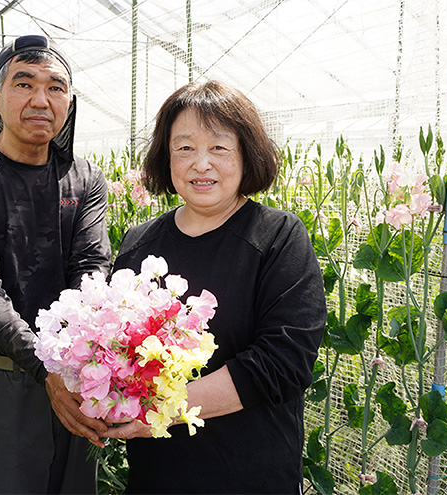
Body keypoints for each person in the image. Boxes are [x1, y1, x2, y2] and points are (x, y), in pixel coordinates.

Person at [102, 80, 327, 494]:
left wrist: (163, 410)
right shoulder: (139, 243)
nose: (200, 163)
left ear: (247, 155)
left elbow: (284, 362)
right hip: (158, 477)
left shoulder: (278, 237)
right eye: (184, 148)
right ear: (165, 156)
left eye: (219, 148)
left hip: (250, 475)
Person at [0, 35, 111, 494]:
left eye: (56, 88)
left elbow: (92, 266)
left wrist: (72, 358)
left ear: (69, 101)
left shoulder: (83, 176)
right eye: (25, 84)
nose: (42, 100)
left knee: (75, 485)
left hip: (75, 370)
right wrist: (44, 367)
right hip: (3, 373)